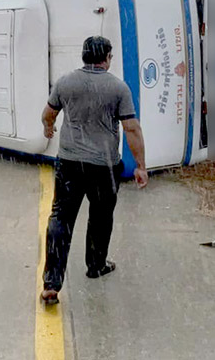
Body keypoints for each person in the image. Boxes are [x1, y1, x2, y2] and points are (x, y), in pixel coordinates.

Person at [39, 35, 148, 305]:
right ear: (107, 58)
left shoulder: (65, 82)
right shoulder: (118, 88)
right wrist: (141, 166)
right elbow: (131, 128)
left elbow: (48, 113)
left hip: (69, 163)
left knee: (60, 219)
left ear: (84, 55)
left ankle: (51, 284)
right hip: (104, 166)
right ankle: (96, 265)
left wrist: (48, 128)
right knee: (100, 217)